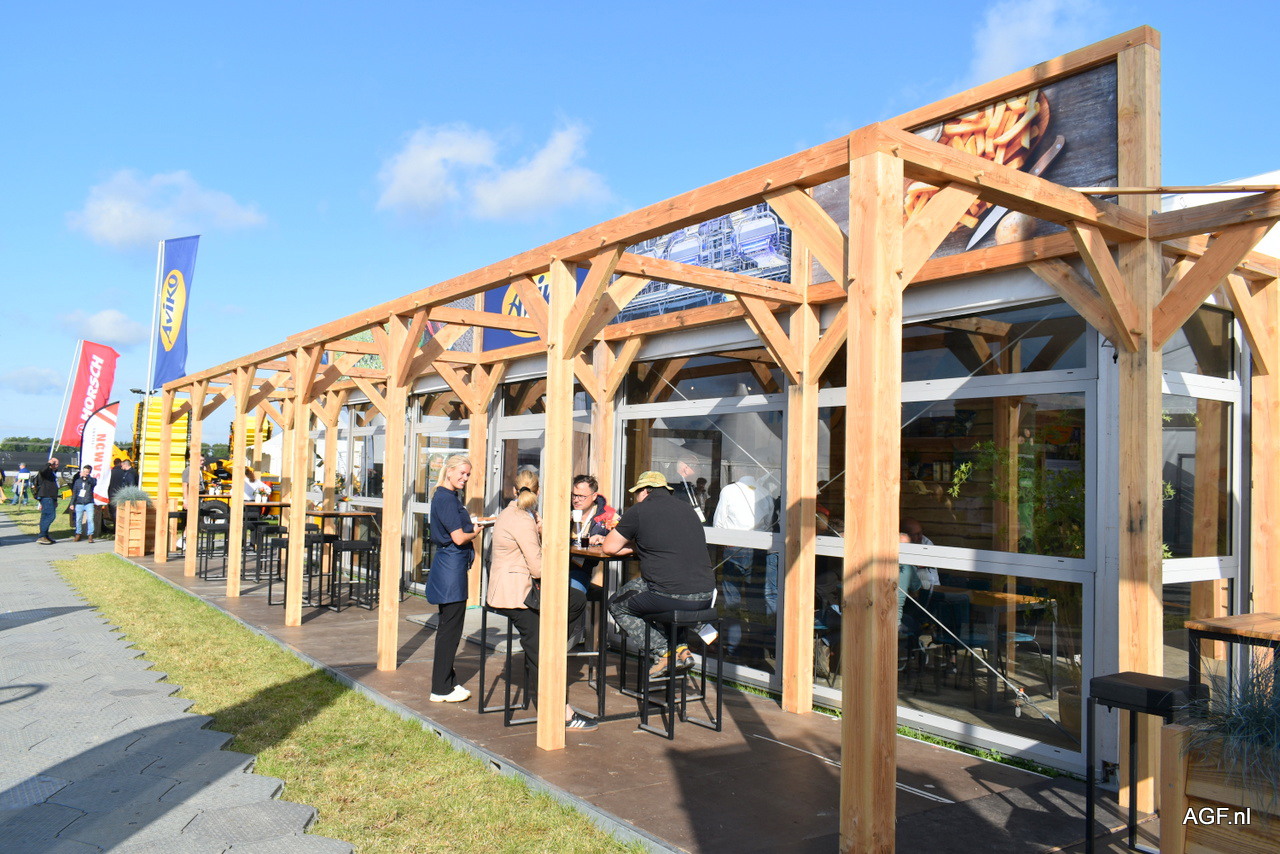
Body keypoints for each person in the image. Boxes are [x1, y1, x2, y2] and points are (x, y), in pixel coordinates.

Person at [487, 470, 597, 731]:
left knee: (575, 599)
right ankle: (561, 713)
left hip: (515, 589)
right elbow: (538, 568)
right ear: (537, 492)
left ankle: (554, 640)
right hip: (515, 594)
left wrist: (540, 525)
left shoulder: (515, 513)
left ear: (514, 491)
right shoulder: (521, 519)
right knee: (542, 650)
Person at [603, 471, 716, 678]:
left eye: (636, 493)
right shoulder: (687, 509)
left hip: (671, 596)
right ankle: (681, 648)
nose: (635, 498)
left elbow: (609, 547)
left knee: (617, 604)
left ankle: (664, 652)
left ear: (645, 491)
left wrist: (637, 546)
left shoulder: (639, 511)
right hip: (706, 596)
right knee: (658, 592)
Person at [425, 455, 484, 703]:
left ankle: (447, 682)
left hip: (450, 567)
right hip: (450, 569)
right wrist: (475, 531)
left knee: (449, 629)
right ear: (448, 471)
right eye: (461, 473)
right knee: (450, 630)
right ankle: (440, 689)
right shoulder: (446, 498)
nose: (465, 478)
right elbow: (458, 538)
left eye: (468, 474)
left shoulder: (447, 496)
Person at [568, 474, 616, 593]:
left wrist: (603, 539)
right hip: (557, 566)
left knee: (573, 594)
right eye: (574, 495)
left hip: (580, 570)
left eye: (581, 496)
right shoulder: (564, 511)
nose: (576, 500)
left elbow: (625, 536)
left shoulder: (607, 515)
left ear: (594, 496)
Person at [670, 455, 706, 522]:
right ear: (686, 469)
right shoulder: (674, 484)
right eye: (696, 467)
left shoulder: (689, 484)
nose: (699, 470)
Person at [34, 457, 62, 544]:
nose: (57, 465)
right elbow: (42, 470)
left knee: (45, 516)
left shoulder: (53, 473)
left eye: (57, 464)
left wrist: (55, 500)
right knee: (50, 516)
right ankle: (42, 535)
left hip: (51, 497)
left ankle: (45, 535)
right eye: (55, 464)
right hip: (46, 496)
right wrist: (49, 463)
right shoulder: (46, 471)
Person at [70, 465, 98, 542]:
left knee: (90, 519)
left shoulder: (92, 480)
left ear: (89, 472)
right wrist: (72, 503)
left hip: (89, 502)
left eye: (87, 472)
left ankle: (90, 535)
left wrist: (87, 477)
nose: (85, 473)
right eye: (84, 471)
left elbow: (93, 483)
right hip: (79, 502)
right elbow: (74, 493)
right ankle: (78, 533)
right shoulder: (78, 481)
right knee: (78, 519)